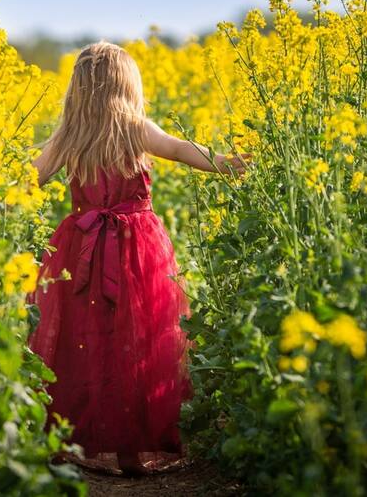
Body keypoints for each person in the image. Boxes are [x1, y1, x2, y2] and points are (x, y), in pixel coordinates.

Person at [27, 40, 251, 476]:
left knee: (84, 341)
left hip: (82, 247)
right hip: (137, 248)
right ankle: (131, 450)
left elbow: (30, 177)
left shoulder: (69, 134)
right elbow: (182, 149)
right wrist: (227, 163)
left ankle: (77, 439)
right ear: (128, 86)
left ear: (78, 90)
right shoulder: (134, 127)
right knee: (136, 341)